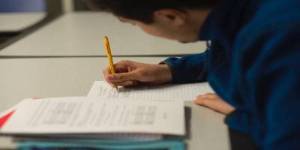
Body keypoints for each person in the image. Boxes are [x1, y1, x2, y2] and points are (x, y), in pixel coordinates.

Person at [86, 0, 300, 149]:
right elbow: (231, 49)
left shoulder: (281, 37)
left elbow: (287, 140)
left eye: (135, 23)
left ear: (170, 16)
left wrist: (247, 112)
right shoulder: (237, 12)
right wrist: (170, 70)